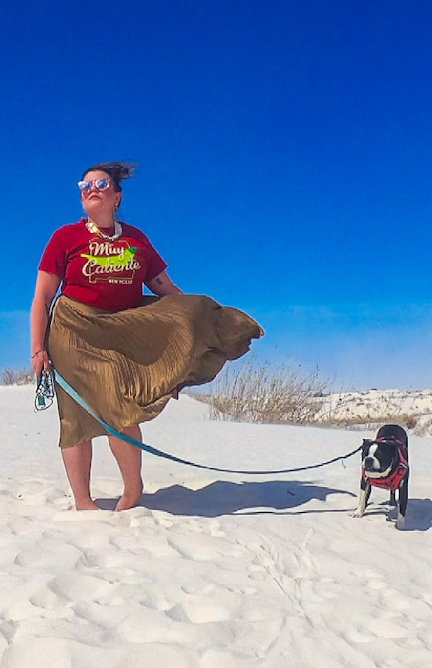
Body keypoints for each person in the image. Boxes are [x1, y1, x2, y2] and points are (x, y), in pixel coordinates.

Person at [31, 162, 262, 511]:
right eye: (84, 185)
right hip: (73, 330)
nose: (91, 189)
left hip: (123, 331)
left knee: (121, 412)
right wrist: (37, 349)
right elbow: (42, 298)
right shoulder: (65, 237)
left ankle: (132, 489)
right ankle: (83, 501)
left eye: (101, 183)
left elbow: (168, 291)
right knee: (75, 417)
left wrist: (198, 325)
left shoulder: (136, 240)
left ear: (117, 196)